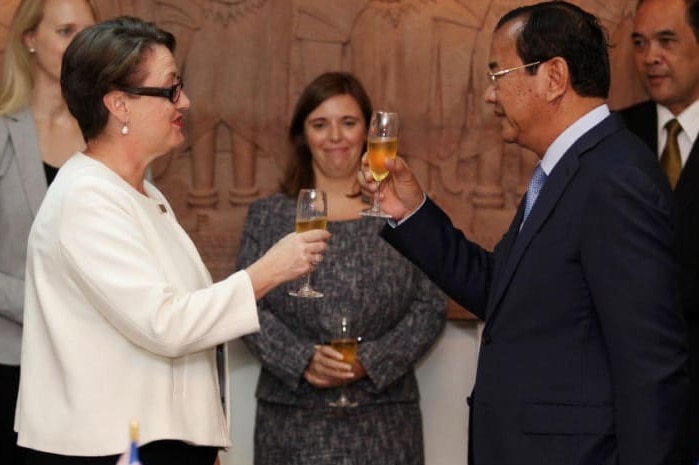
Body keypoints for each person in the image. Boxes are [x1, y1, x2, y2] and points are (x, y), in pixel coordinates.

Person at [358, 2, 687, 465]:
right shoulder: (569, 171)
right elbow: (501, 289)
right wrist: (410, 211)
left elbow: (651, 367)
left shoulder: (614, 180)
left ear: (553, 77)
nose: (491, 95)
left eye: (499, 74)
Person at [14, 16, 330, 465]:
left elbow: (184, 317)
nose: (186, 101)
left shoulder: (141, 191)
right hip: (113, 447)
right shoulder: (85, 199)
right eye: (170, 90)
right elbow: (166, 324)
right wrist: (268, 271)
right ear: (119, 104)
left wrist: (204, 441)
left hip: (157, 439)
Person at [236, 71, 446, 465]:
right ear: (303, 134)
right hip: (292, 420)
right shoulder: (267, 217)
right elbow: (248, 306)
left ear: (368, 131)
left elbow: (430, 304)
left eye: (348, 123)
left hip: (385, 420)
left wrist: (373, 361)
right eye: (320, 124)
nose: (335, 136)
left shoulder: (402, 213)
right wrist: (301, 359)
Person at [0, 1, 96, 463]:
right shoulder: (2, 131)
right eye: (66, 30)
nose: (81, 45)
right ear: (29, 39)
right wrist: (47, 307)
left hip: (94, 372)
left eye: (89, 32)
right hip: (11, 367)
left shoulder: (114, 137)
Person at [617, 1, 699, 462]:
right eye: (640, 43)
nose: (650, 56)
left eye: (666, 41)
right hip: (629, 400)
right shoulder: (614, 136)